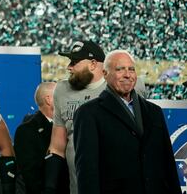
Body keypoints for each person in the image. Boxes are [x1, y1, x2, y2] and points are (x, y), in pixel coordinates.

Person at [44, 40, 145, 194]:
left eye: (75, 61)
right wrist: (49, 187)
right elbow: (57, 147)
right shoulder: (62, 90)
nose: (69, 67)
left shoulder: (124, 87)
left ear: (93, 64)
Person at [73, 50, 181, 194]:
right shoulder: (88, 113)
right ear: (105, 74)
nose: (127, 75)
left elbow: (168, 166)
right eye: (119, 69)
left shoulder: (154, 112)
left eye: (131, 69)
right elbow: (87, 173)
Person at [14, 82, 68, 194]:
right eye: (62, 95)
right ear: (49, 99)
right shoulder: (27, 130)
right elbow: (30, 174)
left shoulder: (68, 125)